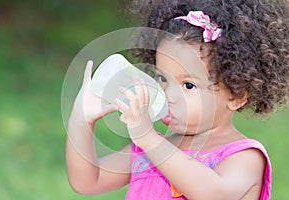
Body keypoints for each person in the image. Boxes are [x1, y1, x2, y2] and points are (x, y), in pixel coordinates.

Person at [66, 0, 289, 199]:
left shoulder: (245, 156)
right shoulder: (149, 148)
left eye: (188, 85)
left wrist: (149, 139)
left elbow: (213, 194)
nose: (166, 94)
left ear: (237, 95)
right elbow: (87, 181)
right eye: (162, 78)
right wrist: (81, 118)